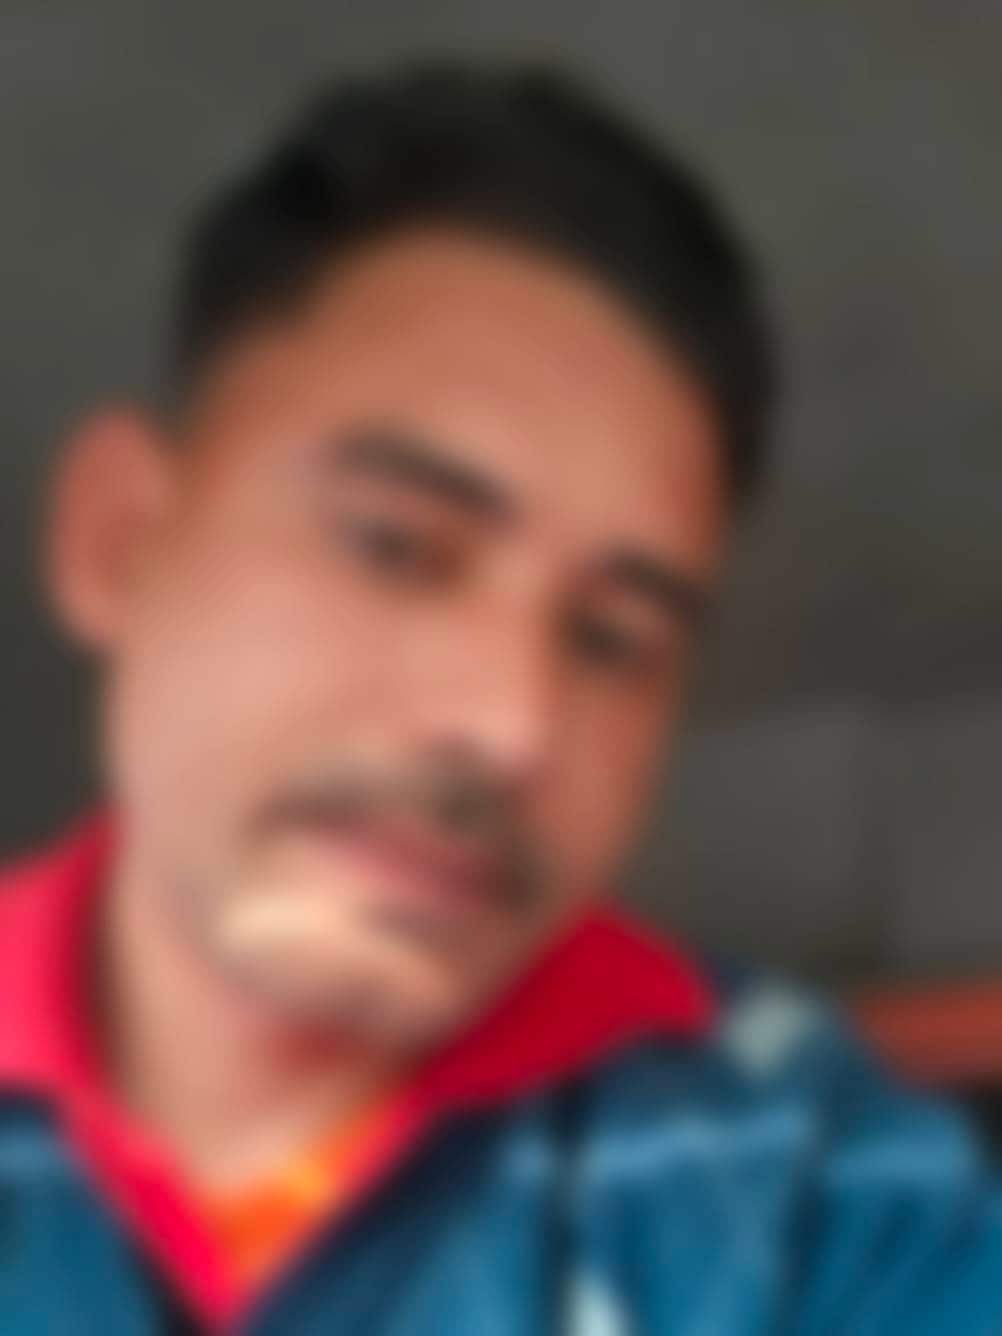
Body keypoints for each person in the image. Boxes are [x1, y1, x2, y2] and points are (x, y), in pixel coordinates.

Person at [1, 60, 999, 1336]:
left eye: (613, 640)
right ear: (125, 540)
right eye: (396, 547)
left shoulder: (811, 1180)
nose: (512, 724)